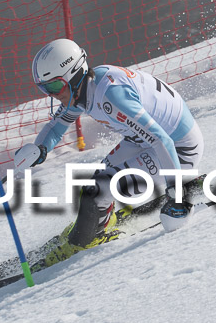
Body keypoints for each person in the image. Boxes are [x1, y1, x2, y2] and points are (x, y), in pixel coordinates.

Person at [15, 38, 203, 249]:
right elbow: (55, 126)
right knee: (94, 185)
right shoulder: (83, 88)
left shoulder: (111, 97)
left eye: (54, 86)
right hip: (145, 140)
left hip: (179, 149)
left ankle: (88, 239)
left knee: (96, 191)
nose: (52, 94)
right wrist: (40, 148)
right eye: (44, 88)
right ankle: (100, 221)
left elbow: (162, 140)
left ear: (73, 74)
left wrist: (176, 195)